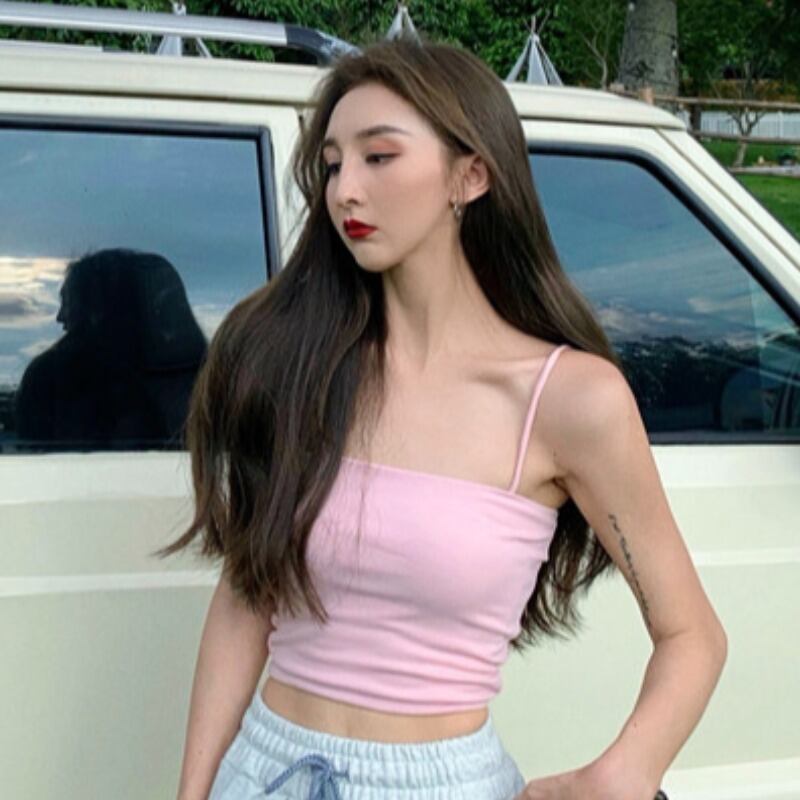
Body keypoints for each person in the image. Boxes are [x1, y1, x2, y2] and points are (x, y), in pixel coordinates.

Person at [159, 37, 727, 800]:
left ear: (471, 175)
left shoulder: (569, 400)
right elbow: (246, 595)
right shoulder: (296, 363)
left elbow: (693, 635)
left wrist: (625, 770)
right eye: (332, 164)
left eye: (379, 157)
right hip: (266, 769)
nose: (344, 191)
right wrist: (194, 792)